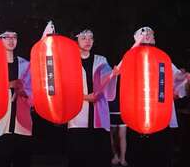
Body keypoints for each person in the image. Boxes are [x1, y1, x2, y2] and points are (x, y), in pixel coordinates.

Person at [126, 26, 189, 167]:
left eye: (150, 33)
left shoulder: (162, 58)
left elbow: (177, 81)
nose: (147, 35)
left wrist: (182, 77)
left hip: (160, 119)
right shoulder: (131, 57)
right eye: (144, 33)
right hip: (137, 118)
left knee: (160, 156)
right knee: (139, 157)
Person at [66, 29, 117, 167]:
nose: (88, 41)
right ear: (75, 41)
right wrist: (84, 97)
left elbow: (107, 82)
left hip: (99, 118)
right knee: (78, 157)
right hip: (77, 117)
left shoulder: (101, 60)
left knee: (99, 158)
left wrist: (113, 75)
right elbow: (64, 89)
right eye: (83, 37)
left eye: (90, 38)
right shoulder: (68, 62)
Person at [0, 30, 33, 167]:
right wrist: (10, 84)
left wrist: (23, 92)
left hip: (23, 123)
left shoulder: (25, 65)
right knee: (0, 160)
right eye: (6, 37)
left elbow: (33, 93)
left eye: (14, 37)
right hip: (0, 121)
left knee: (22, 161)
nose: (11, 40)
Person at [109, 75, 128, 166]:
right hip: (111, 108)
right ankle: (116, 156)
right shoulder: (108, 73)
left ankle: (123, 158)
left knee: (122, 135)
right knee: (113, 135)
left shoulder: (126, 76)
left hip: (123, 109)